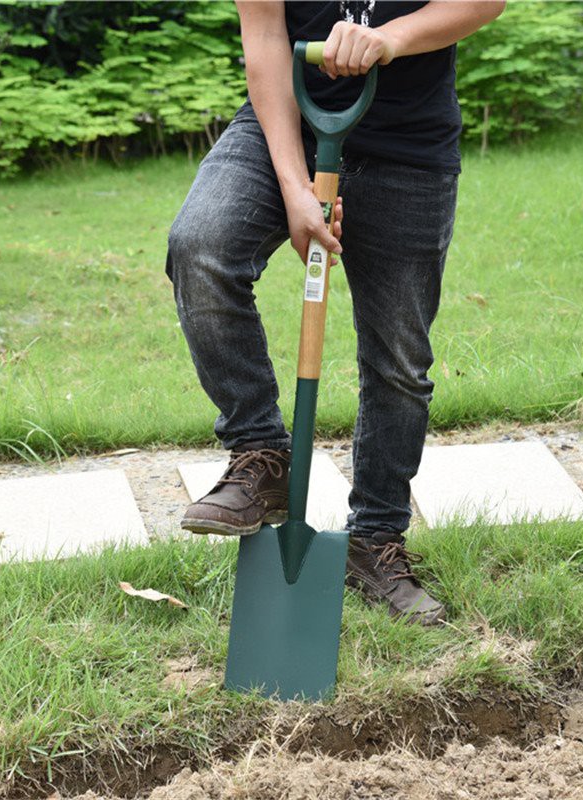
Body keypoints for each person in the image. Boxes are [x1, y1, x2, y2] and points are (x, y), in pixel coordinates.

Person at [165, 1, 505, 626]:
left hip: (408, 142)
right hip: (286, 119)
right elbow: (265, 35)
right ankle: (261, 453)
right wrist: (297, 190)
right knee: (201, 246)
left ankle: (374, 539)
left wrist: (387, 39)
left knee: (398, 359)